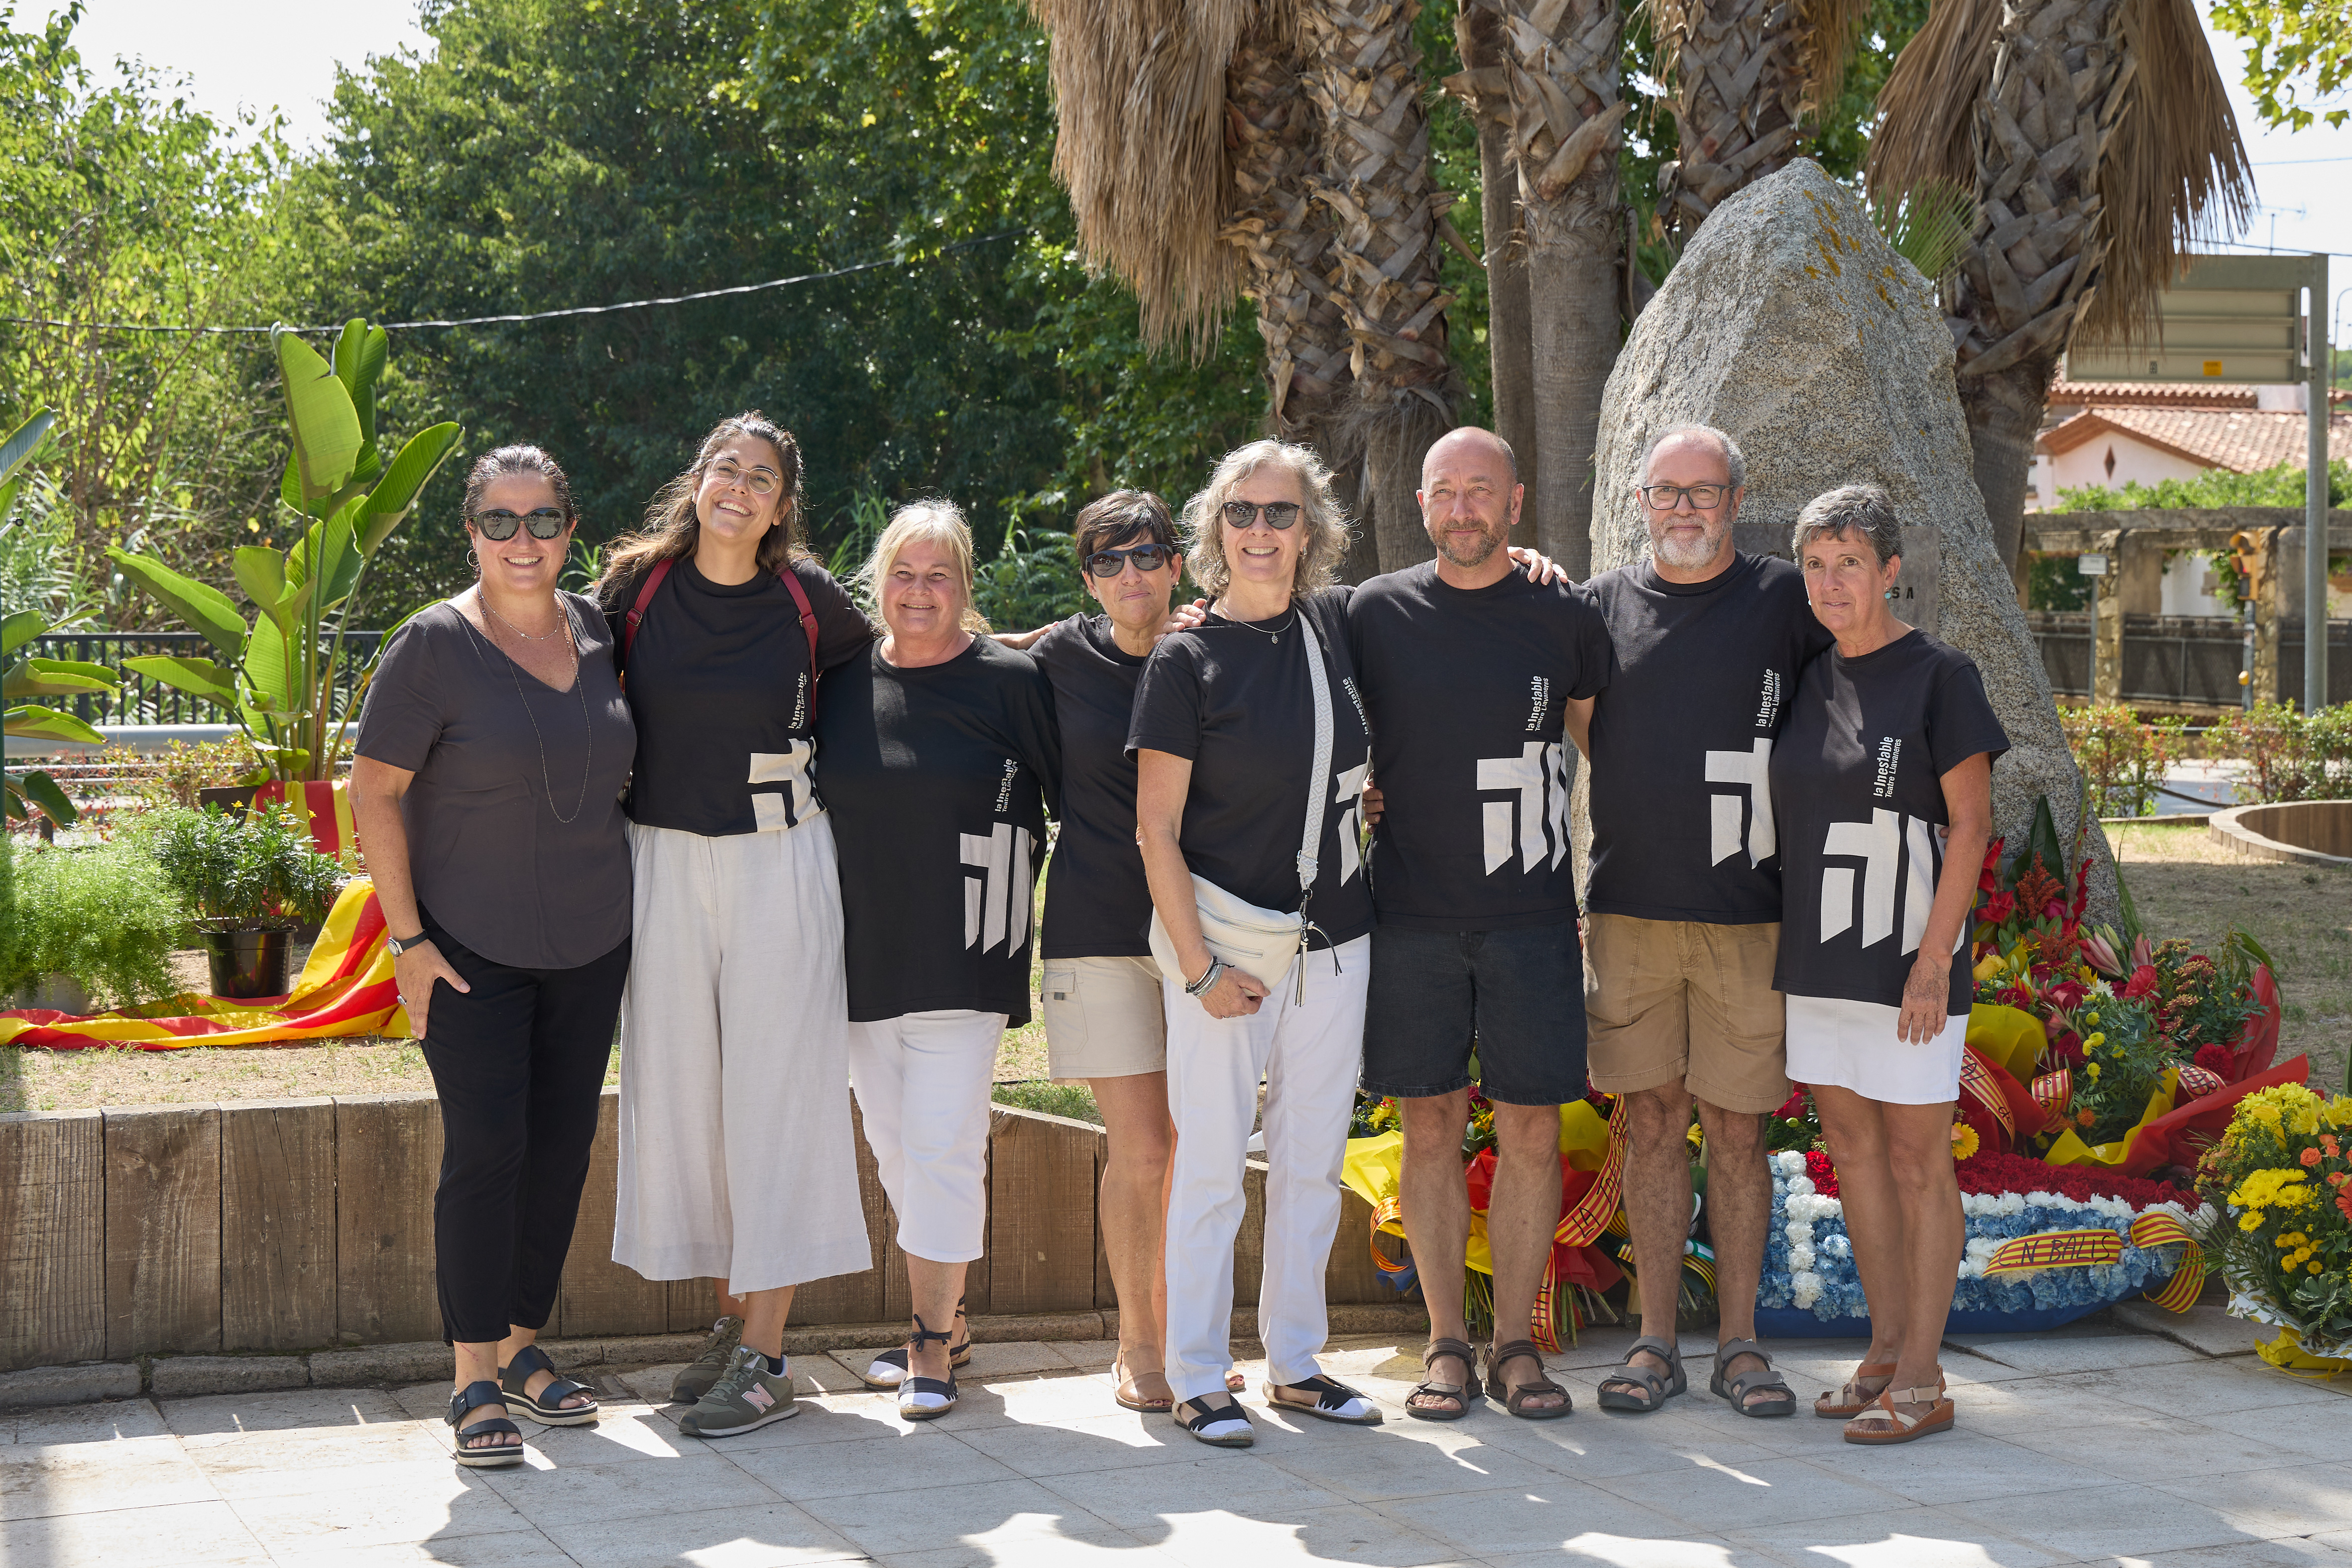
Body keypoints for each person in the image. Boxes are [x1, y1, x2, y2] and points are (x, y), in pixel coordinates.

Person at [350, 446, 636, 1466]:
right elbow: (373, 792)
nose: (526, 540)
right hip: (466, 949)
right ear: (471, 535)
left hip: (593, 942)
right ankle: (472, 1377)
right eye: (502, 522)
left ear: (570, 531)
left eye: (545, 519)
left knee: (560, 1150)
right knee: (488, 1153)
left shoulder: (597, 632)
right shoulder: (433, 646)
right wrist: (410, 942)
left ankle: (522, 1345)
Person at [597, 413, 875, 1438]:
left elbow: (899, 679)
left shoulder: (810, 602)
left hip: (780, 861)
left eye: (762, 477)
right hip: (659, 859)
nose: (740, 488)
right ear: (699, 475)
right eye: (727, 467)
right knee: (685, 1099)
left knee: (780, 1094)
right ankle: (730, 1322)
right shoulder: (636, 587)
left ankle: (767, 1353)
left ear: (781, 502)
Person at [1346, 428, 1612, 1421]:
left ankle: (1515, 1347)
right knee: (1428, 1126)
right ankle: (1446, 1344)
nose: (1462, 510)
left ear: (1515, 503)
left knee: (1533, 1129)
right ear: (1421, 505)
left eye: (1481, 492)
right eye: (1445, 492)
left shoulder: (1560, 611)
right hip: (1409, 914)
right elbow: (1281, 660)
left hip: (1532, 919)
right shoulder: (1374, 612)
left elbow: (1611, 752)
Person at [1579, 425, 1833, 1419]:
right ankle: (1653, 1342)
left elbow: (1854, 701)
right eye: (1666, 492)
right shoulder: (1597, 608)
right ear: (1641, 502)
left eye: (1703, 492)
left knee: (1735, 1132)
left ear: (1735, 501)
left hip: (1748, 920)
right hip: (1631, 914)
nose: (1683, 509)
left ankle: (1739, 1346)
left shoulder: (1782, 601)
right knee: (1648, 1127)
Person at [1131, 439, 1380, 1448]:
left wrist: (1535, 562)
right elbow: (1155, 829)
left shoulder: (1338, 628)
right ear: (1215, 529)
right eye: (1242, 513)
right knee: (1209, 1168)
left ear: (1309, 529)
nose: (1262, 532)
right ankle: (1195, 1374)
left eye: (1281, 514)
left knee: (1313, 1161)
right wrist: (1197, 969)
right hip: (1227, 947)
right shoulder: (1187, 657)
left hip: (1336, 940)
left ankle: (1296, 1364)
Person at [816, 500, 1060, 1421]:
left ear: (966, 585)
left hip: (969, 945)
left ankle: (927, 1342)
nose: (920, 593)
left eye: (939, 576)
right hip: (858, 951)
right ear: (879, 584)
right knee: (891, 1145)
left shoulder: (1009, 680)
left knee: (942, 1142)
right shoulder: (837, 680)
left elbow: (1080, 795)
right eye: (904, 576)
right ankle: (949, 1318)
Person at [1772, 483, 2003, 1445]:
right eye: (1817, 566)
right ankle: (1881, 1348)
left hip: (1910, 963)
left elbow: (1972, 825)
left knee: (1916, 1163)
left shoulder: (1942, 675)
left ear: (1890, 570)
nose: (1831, 583)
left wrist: (1932, 963)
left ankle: (1924, 1371)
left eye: (1851, 564)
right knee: (1855, 1156)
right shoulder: (1809, 674)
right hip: (1823, 958)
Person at [1030, 491, 1186, 1413]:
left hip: (1206, 935)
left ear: (1177, 563)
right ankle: (1140, 1343)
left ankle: (1193, 1331)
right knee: (1141, 1149)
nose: (1131, 574)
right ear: (1088, 579)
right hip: (1096, 930)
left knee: (1198, 1148)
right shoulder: (1057, 658)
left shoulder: (1217, 649)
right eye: (1109, 561)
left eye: (1146, 555)